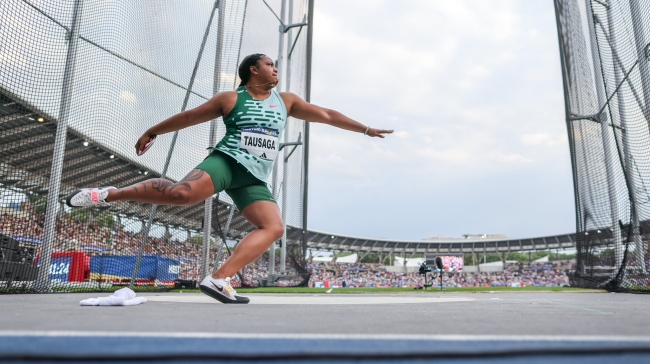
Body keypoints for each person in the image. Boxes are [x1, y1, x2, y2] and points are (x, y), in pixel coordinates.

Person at [66, 53, 393, 303]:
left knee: (274, 227)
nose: (276, 69)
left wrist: (364, 128)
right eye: (270, 64)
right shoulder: (231, 99)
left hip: (254, 178)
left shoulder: (287, 101)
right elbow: (189, 117)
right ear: (254, 69)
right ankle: (110, 194)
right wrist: (153, 130)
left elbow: (326, 115)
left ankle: (219, 279)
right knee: (181, 195)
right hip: (227, 161)